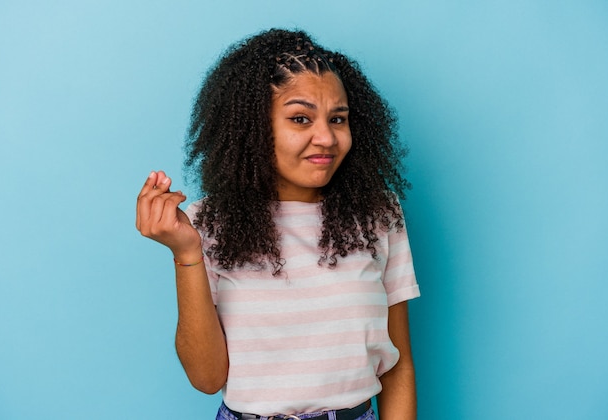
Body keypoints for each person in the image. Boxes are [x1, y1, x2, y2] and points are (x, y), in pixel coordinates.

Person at [136, 28, 420, 420]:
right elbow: (206, 378)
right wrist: (186, 252)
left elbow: (398, 365)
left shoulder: (377, 214)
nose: (326, 137)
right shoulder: (207, 225)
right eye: (301, 119)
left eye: (338, 119)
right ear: (253, 129)